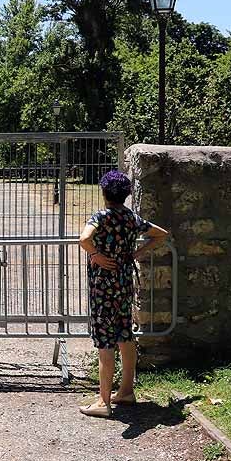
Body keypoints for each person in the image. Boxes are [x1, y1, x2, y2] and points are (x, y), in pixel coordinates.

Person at [76, 170, 169, 418]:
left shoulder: (101, 217)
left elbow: (84, 239)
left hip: (102, 286)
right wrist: (136, 254)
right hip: (124, 283)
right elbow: (161, 235)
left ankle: (103, 401)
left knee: (105, 341)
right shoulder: (131, 218)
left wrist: (96, 255)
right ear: (127, 194)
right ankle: (126, 390)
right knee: (125, 334)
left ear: (104, 192)